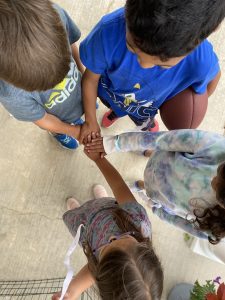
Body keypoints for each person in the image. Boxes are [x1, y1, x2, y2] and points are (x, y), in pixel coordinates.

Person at [79, 0, 224, 141]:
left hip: (144, 110)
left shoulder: (200, 61)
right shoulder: (107, 34)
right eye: (132, 48)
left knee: (143, 121)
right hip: (109, 94)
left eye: (162, 65)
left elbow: (213, 78)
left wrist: (187, 102)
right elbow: (91, 79)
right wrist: (91, 119)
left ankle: (148, 129)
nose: (144, 65)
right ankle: (116, 112)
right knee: (116, 106)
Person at [52, 150, 163, 300]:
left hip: (86, 228)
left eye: (108, 248)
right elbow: (118, 187)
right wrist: (99, 159)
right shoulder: (139, 220)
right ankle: (101, 198)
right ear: (147, 250)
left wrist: (70, 293)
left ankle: (77, 210)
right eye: (121, 239)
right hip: (109, 209)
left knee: (78, 213)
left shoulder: (105, 268)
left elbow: (92, 270)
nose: (111, 238)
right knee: (103, 200)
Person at [84, 129, 225, 244]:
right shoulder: (218, 146)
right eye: (219, 171)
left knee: (148, 186)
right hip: (163, 156)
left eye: (216, 187)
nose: (212, 179)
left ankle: (140, 185)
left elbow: (181, 223)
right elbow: (163, 139)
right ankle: (147, 152)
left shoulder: (217, 228)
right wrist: (115, 143)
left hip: (158, 193)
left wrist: (155, 208)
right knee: (156, 148)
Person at [0, 0, 85, 150]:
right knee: (56, 126)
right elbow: (42, 118)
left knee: (77, 113)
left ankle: (74, 118)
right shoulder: (10, 94)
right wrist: (74, 131)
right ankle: (59, 133)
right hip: (54, 117)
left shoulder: (55, 16)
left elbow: (72, 43)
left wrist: (84, 77)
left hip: (78, 93)